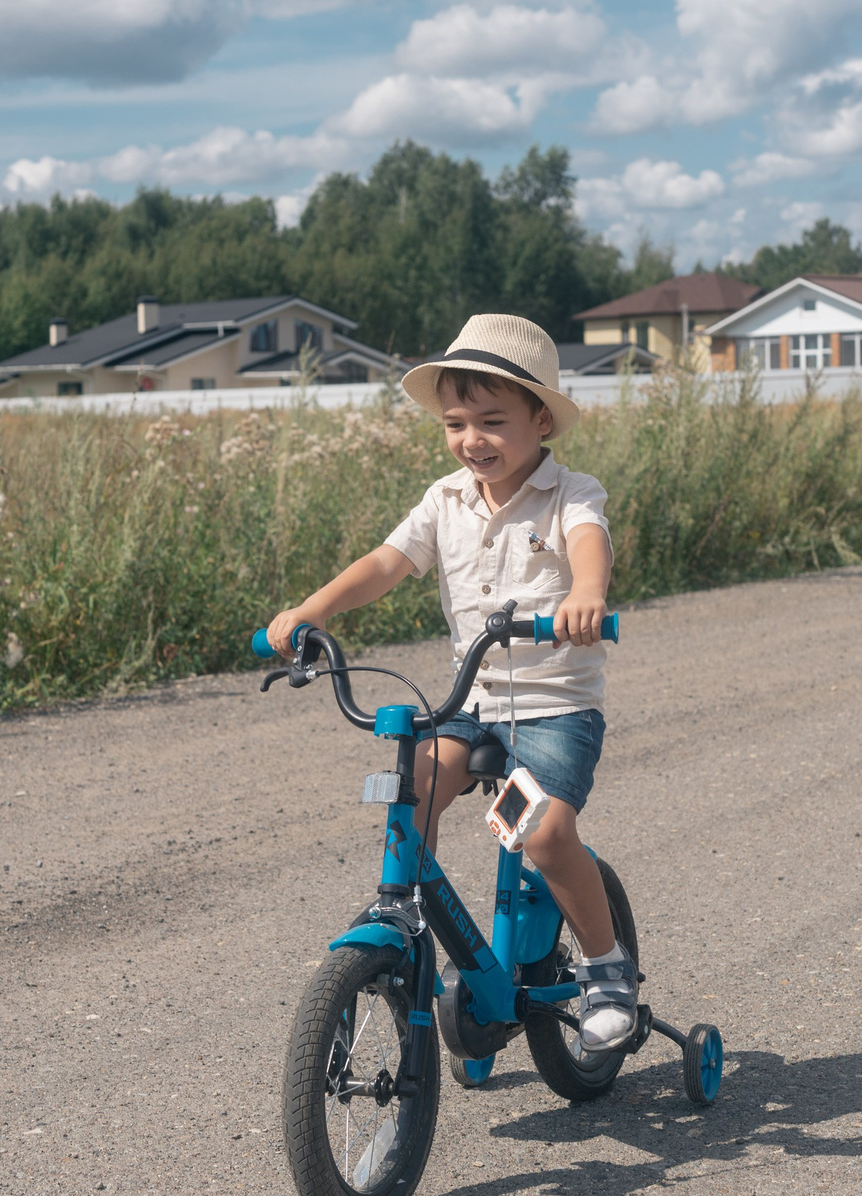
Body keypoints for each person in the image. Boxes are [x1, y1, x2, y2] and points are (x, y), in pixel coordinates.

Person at [266, 315, 635, 1050]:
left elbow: (589, 544)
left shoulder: (569, 494)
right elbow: (387, 562)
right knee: (415, 781)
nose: (473, 440)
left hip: (552, 708)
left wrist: (585, 593)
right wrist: (311, 611)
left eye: (493, 421)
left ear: (540, 418)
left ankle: (606, 970)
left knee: (540, 831)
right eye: (456, 423)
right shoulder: (446, 500)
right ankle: (400, 911)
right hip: (472, 707)